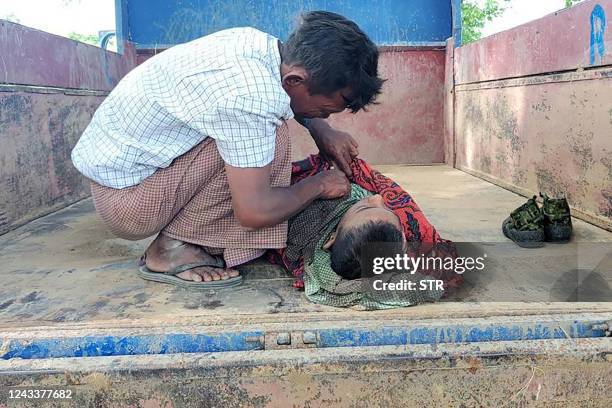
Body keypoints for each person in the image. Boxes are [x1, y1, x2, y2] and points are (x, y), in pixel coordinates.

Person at [70, 11, 384, 288]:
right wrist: (318, 185)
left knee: (261, 140)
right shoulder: (251, 98)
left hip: (121, 176)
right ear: (296, 79)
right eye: (332, 106)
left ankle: (189, 235)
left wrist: (321, 129)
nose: (330, 114)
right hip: (128, 202)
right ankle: (172, 248)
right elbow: (254, 211)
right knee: (271, 143)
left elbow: (282, 96)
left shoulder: (261, 47)